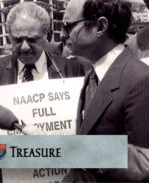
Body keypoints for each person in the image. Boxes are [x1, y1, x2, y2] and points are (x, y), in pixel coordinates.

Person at [0, 2, 85, 182]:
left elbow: (83, 126)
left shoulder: (71, 69)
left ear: (47, 36)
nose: (25, 47)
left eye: (32, 39)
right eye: (18, 40)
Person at [62, 0, 149, 182]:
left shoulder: (141, 80)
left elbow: (144, 164)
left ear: (100, 26)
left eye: (68, 26)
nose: (63, 34)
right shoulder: (92, 76)